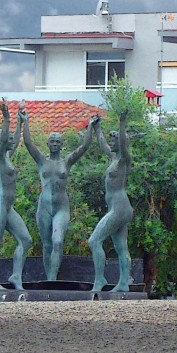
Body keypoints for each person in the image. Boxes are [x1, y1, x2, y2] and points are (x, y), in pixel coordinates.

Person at [22, 111, 99, 281]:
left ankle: (52, 279)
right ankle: (50, 280)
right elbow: (28, 143)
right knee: (47, 245)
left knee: (57, 241)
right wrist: (25, 121)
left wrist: (90, 127)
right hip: (44, 207)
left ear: (62, 145)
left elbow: (83, 147)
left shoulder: (66, 162)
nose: (55, 144)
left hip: (61, 207)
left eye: (58, 141)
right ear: (48, 144)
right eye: (52, 141)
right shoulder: (42, 160)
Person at [0, 101, 32, 290]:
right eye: (8, 138)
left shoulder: (8, 157)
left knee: (26, 240)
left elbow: (15, 141)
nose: (11, 140)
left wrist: (21, 122)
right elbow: (5, 140)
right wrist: (7, 119)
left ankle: (16, 276)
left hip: (7, 207)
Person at [89, 109, 134, 293]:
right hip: (117, 207)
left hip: (120, 207)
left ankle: (100, 279)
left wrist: (122, 123)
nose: (112, 143)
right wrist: (97, 128)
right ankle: (123, 283)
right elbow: (103, 145)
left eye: (114, 141)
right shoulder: (114, 158)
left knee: (94, 241)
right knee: (121, 247)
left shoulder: (124, 160)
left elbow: (123, 143)